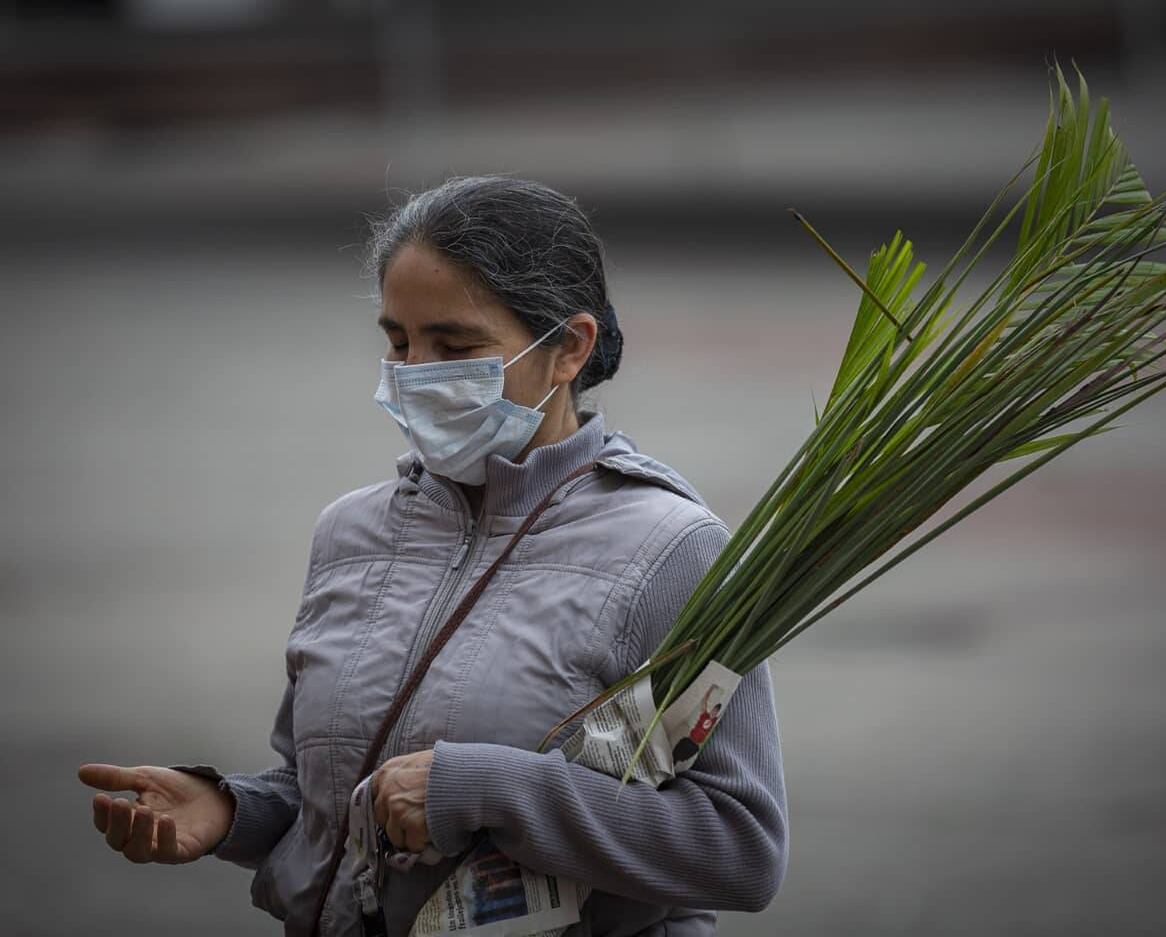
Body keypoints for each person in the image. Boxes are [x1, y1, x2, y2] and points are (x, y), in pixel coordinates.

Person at [77, 175, 789, 936]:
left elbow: (739, 848)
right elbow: (328, 798)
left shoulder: (673, 550)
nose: (415, 371)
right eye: (397, 340)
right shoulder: (351, 532)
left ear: (568, 350)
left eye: (455, 345)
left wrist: (482, 788)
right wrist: (230, 811)